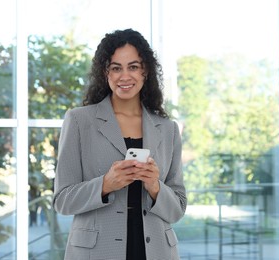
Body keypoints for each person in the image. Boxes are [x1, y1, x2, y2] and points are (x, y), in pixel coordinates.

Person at [53, 28, 187, 260]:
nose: (125, 76)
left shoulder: (167, 129)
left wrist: (154, 185)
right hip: (97, 252)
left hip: (157, 251)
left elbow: (178, 209)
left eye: (133, 67)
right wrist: (106, 184)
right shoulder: (79, 121)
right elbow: (62, 201)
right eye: (116, 68)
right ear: (105, 73)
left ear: (145, 71)